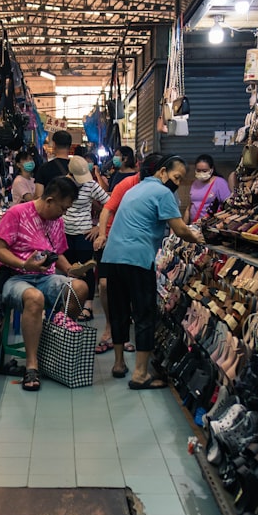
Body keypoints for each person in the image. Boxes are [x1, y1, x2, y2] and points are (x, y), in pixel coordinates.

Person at [99, 154, 202, 388]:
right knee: (144, 314)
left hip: (113, 257)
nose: (177, 182)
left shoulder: (133, 189)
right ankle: (140, 375)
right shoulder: (164, 193)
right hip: (137, 258)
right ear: (163, 172)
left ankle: (118, 364)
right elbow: (180, 230)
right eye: (176, 177)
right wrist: (196, 236)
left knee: (119, 310)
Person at [0, 177, 90, 392]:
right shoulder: (16, 213)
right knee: (35, 298)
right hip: (15, 277)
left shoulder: (57, 221)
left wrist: (73, 271)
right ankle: (32, 366)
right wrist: (24, 264)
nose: (63, 213)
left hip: (46, 277)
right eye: (62, 208)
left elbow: (58, 254)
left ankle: (55, 342)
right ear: (50, 200)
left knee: (80, 288)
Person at [92, 157, 143, 354]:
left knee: (128, 286)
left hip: (134, 242)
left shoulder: (156, 188)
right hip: (112, 240)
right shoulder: (126, 184)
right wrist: (102, 233)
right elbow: (107, 209)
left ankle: (121, 334)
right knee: (105, 285)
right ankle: (109, 326)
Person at [63, 155, 109, 321]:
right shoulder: (62, 184)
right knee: (68, 269)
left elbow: (109, 204)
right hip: (64, 234)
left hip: (84, 234)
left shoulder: (90, 185)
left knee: (87, 269)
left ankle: (87, 305)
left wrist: (98, 227)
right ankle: (70, 304)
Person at [188, 154, 231, 223]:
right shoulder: (195, 183)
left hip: (211, 225)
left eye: (204, 171)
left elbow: (228, 205)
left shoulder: (220, 183)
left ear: (211, 169)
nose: (201, 173)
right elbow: (190, 206)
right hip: (194, 225)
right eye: (198, 170)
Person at [34, 130, 72, 199]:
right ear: (70, 146)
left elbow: (38, 195)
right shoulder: (77, 168)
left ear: (54, 144)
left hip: (51, 208)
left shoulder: (44, 168)